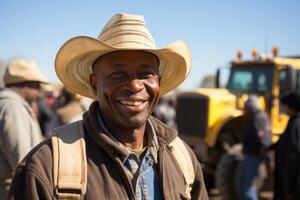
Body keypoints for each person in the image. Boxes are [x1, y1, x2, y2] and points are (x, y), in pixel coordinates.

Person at [8, 13, 208, 199]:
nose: (135, 85)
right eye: (118, 74)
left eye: (146, 73)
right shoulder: (46, 165)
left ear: (159, 82)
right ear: (95, 84)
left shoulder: (182, 159)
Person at [0, 59, 48, 198]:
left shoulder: (9, 105)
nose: (40, 90)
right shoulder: (13, 107)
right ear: (25, 85)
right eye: (37, 85)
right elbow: (22, 160)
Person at [238, 95, 271, 200]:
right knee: (241, 185)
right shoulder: (252, 118)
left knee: (247, 188)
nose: (244, 110)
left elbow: (265, 140)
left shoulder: (259, 118)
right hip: (247, 155)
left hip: (253, 156)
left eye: (246, 107)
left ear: (251, 107)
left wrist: (270, 158)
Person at [271, 93, 300, 200]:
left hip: (292, 183)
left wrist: (289, 187)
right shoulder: (292, 122)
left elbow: (292, 156)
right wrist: (270, 147)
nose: (284, 108)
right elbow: (283, 143)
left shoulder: (295, 125)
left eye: (285, 105)